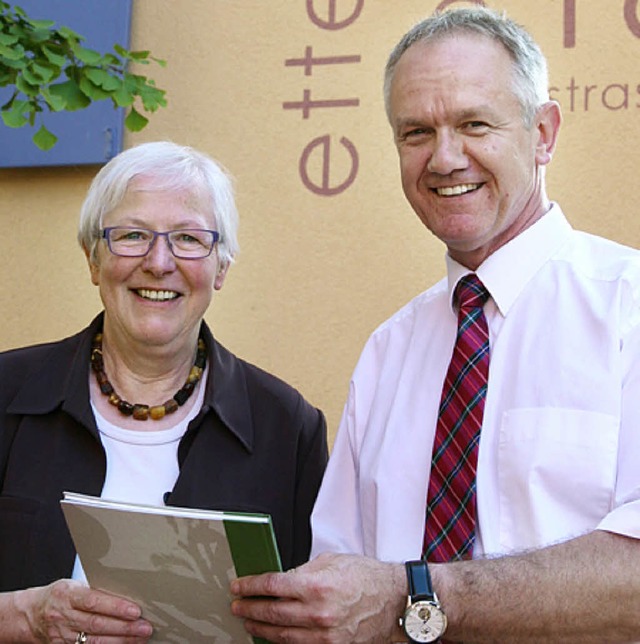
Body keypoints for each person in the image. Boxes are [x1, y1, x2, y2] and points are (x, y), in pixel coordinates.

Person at [230, 6, 640, 643]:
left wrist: (415, 595)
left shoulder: (630, 306)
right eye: (416, 132)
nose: (445, 159)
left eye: (475, 123)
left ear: (543, 132)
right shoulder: (390, 350)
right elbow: (343, 579)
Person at [0, 141, 328, 642]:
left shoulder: (287, 428)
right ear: (92, 259)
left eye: (188, 239)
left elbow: (316, 624)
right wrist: (24, 617)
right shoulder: (6, 394)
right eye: (131, 235)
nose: (158, 262)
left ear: (221, 267)